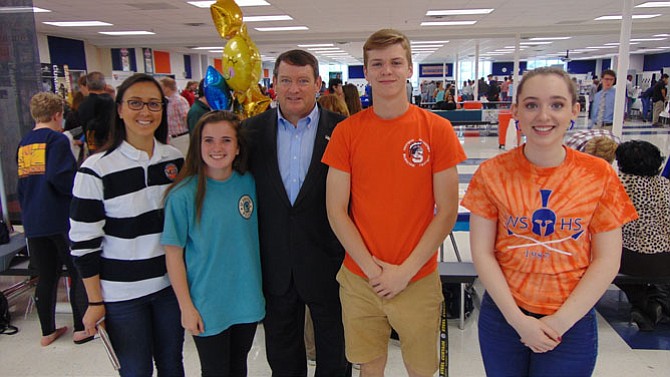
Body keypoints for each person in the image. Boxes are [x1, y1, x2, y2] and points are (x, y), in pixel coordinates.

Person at [462, 67, 638, 377]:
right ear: (516, 110)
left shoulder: (598, 174)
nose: (544, 115)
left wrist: (559, 323)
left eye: (556, 104)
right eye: (531, 104)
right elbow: (483, 252)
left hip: (572, 320)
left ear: (575, 110)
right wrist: (519, 321)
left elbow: (608, 258)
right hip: (504, 318)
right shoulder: (492, 173)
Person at [323, 28, 466, 377]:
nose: (387, 70)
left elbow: (447, 211)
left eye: (395, 62)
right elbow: (336, 211)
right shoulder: (348, 132)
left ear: (409, 68)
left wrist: (404, 272)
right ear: (367, 72)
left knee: (421, 368)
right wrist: (374, 272)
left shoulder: (436, 129)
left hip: (417, 277)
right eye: (378, 64)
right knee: (369, 365)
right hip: (360, 278)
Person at [69, 73, 185, 377]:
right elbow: (84, 242)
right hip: (122, 296)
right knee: (135, 370)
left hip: (168, 288)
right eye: (135, 103)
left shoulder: (174, 161)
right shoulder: (96, 169)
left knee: (173, 365)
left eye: (153, 104)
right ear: (119, 108)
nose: (145, 112)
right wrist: (94, 301)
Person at [242, 49, 350, 377]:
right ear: (273, 83)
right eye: (286, 80)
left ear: (318, 84)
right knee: (283, 353)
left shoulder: (344, 130)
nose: (294, 89)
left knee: (336, 353)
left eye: (303, 81)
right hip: (275, 266)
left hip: (329, 262)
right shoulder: (251, 132)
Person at [162, 111, 264, 376]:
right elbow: (173, 255)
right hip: (207, 303)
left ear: (238, 146)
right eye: (208, 140)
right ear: (197, 145)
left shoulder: (250, 183)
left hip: (246, 297)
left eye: (226, 140)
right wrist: (186, 307)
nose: (217, 148)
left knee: (238, 366)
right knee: (216, 369)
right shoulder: (183, 195)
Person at [17, 92, 89, 346]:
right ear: (58, 115)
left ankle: (47, 331)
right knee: (77, 271)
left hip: (33, 219)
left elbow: (24, 185)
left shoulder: (24, 143)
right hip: (59, 217)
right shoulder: (57, 140)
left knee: (46, 275)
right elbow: (62, 178)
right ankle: (82, 328)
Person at [615, 140, 670, 331]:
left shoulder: (615, 187)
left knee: (604, 261)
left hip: (627, 259)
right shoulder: (666, 186)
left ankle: (643, 301)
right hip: (665, 260)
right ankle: (658, 299)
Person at [77, 71, 115, 153]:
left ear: (87, 86)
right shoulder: (111, 102)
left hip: (93, 146)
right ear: (105, 86)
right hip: (113, 145)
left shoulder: (83, 105)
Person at [160, 77, 191, 157]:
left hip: (181, 138)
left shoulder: (179, 101)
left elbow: (186, 118)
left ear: (167, 88)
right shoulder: (169, 101)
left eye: (161, 87)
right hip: (172, 138)